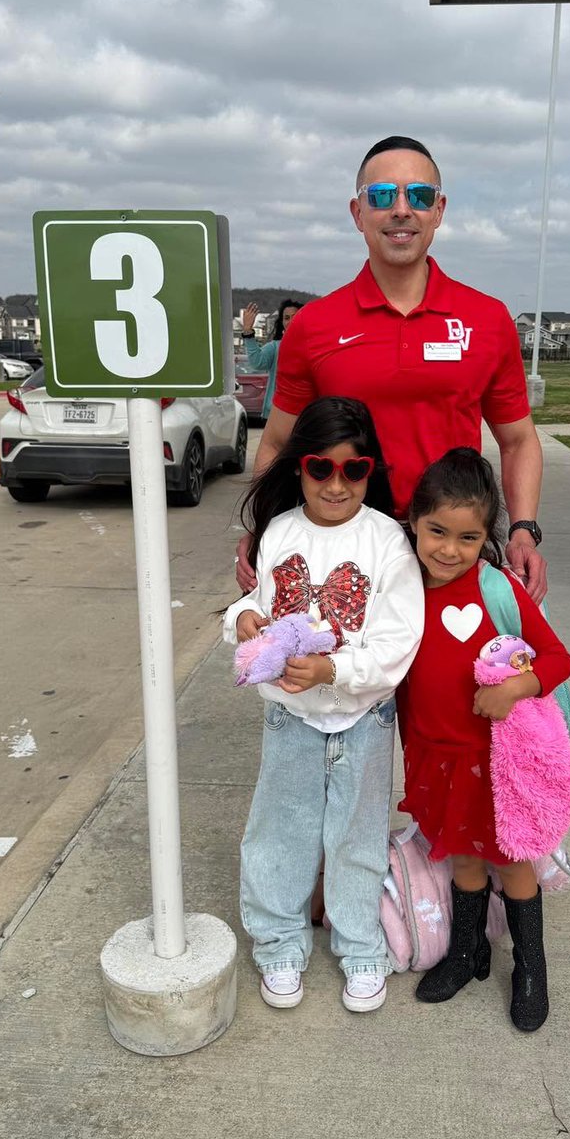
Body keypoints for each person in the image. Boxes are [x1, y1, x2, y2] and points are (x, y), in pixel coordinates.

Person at [237, 134, 547, 603]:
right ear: (357, 213)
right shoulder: (315, 326)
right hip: (343, 551)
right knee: (346, 676)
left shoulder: (486, 319)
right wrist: (262, 528)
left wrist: (523, 530)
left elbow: (518, 439)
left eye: (418, 195)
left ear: (438, 211)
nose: (401, 209)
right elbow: (279, 442)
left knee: (462, 676)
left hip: (451, 551)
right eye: (382, 196)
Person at [223, 396, 424, 1013]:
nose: (337, 484)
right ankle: (279, 945)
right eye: (320, 468)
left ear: (371, 471)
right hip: (290, 719)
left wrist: (334, 669)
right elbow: (249, 606)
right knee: (279, 833)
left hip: (363, 719)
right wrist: (246, 620)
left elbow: (398, 642)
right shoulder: (280, 531)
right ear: (298, 469)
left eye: (354, 470)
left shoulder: (388, 540)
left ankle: (361, 946)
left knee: (356, 836)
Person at [398, 447, 570, 1031]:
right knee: (463, 859)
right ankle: (466, 951)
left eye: (468, 538)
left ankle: (531, 968)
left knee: (514, 863)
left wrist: (516, 688)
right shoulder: (399, 589)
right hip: (432, 758)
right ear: (414, 523)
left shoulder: (497, 589)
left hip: (495, 764)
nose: (449, 549)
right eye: (436, 532)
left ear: (486, 538)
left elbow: (557, 657)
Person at [240, 298, 304, 422]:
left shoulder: (313, 346)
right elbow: (257, 362)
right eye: (286, 318)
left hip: (305, 415)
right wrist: (247, 331)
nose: (291, 321)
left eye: (295, 316)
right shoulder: (275, 347)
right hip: (276, 414)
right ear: (282, 322)